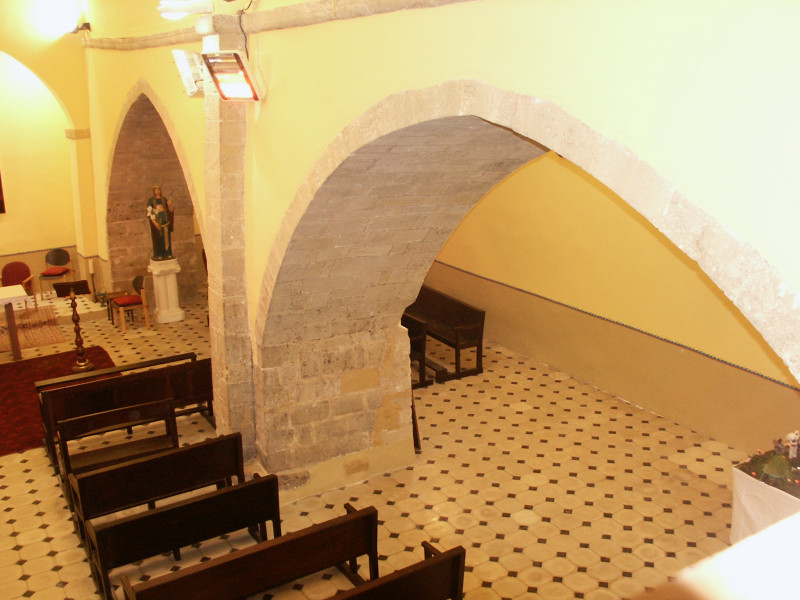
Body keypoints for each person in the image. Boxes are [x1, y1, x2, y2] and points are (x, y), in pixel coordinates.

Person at [146, 185, 174, 260]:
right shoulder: (151, 201)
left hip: (165, 222)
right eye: (155, 190)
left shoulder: (164, 199)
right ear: (153, 191)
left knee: (167, 239)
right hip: (157, 223)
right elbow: (149, 213)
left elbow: (170, 211)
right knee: (158, 239)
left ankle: (168, 253)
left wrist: (170, 205)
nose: (157, 191)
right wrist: (155, 222)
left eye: (158, 190)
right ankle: (159, 254)